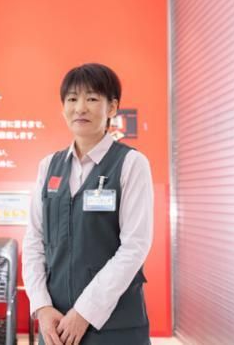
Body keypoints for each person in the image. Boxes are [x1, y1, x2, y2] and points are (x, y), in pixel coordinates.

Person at [22, 63, 154, 345]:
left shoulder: (130, 163)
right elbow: (34, 241)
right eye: (72, 99)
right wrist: (42, 306)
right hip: (56, 323)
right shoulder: (49, 166)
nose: (80, 108)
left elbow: (135, 246)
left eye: (92, 98)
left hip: (115, 325)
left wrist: (85, 311)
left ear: (112, 107)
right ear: (63, 108)